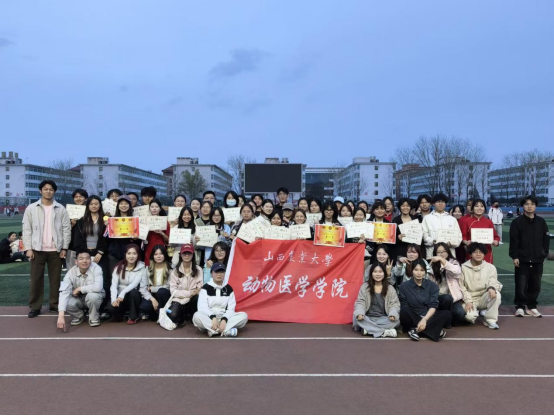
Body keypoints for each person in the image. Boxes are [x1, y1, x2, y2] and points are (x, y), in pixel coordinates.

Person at [23, 180, 71, 318]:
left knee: (55, 279)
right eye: (45, 189)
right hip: (37, 249)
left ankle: (54, 305)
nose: (48, 191)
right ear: (40, 191)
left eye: (51, 189)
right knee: (36, 279)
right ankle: (35, 307)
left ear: (54, 191)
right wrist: (28, 248)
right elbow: (27, 229)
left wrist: (65, 247)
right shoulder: (31, 208)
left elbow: (66, 229)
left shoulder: (60, 208)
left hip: (56, 250)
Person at [510, 196, 550, 318]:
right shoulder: (517, 222)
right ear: (523, 206)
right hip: (522, 259)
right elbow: (514, 241)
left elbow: (546, 239)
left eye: (532, 204)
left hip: (538, 258)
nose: (529, 206)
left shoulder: (541, 222)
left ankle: (532, 306)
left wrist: (543, 255)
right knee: (521, 284)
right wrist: (515, 256)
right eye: (527, 204)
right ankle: (520, 306)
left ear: (536, 206)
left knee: (535, 284)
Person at [73, 196, 111, 312]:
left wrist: (100, 252)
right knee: (86, 280)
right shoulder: (81, 221)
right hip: (86, 254)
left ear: (100, 205)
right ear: (88, 206)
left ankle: (103, 308)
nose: (94, 206)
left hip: (100, 255)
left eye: (96, 204)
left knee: (104, 281)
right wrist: (85, 254)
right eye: (91, 204)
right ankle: (85, 306)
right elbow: (77, 239)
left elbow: (107, 239)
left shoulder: (105, 220)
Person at [399, 259, 451, 342]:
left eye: (422, 270)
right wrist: (420, 319)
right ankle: (434, 330)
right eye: (416, 270)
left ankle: (415, 330)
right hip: (413, 316)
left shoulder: (432, 285)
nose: (419, 273)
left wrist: (424, 319)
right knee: (404, 311)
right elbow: (404, 305)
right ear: (411, 271)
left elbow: (433, 305)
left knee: (447, 314)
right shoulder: (404, 286)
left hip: (428, 316)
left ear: (425, 271)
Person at [193, 262, 248, 338]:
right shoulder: (205, 288)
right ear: (211, 274)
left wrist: (224, 319)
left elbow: (231, 308)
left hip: (224, 318)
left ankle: (214, 330)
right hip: (209, 318)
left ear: (224, 274)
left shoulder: (229, 288)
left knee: (244, 316)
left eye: (221, 272)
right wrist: (213, 317)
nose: (219, 274)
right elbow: (202, 307)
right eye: (216, 272)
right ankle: (226, 330)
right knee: (196, 316)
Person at [57, 250, 105, 330]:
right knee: (67, 301)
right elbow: (64, 292)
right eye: (81, 259)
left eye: (87, 258)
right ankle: (79, 316)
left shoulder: (97, 268)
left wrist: (80, 289)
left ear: (91, 260)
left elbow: (98, 287)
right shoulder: (71, 273)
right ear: (76, 261)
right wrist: (61, 316)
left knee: (93, 297)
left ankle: (94, 317)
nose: (84, 261)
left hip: (94, 297)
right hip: (78, 298)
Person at [461, 243, 502, 330]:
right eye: (475, 252)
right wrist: (468, 300)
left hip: (484, 296)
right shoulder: (463, 267)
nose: (478, 254)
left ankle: (490, 320)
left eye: (481, 252)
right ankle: (474, 312)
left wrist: (491, 288)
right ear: (470, 254)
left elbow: (493, 280)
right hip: (470, 298)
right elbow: (461, 287)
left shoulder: (490, 267)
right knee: (469, 317)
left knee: (496, 294)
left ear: (484, 254)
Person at [354, 263, 401, 338]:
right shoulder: (365, 287)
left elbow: (394, 304)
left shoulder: (390, 288)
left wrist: (392, 314)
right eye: (375, 271)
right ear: (371, 273)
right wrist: (360, 313)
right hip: (367, 317)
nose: (378, 274)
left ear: (384, 273)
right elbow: (360, 302)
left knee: (396, 321)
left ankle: (368, 329)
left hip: (384, 318)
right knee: (356, 318)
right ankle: (385, 332)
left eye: (380, 271)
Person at [106, 244, 145, 325]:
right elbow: (114, 285)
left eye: (134, 253)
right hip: (120, 297)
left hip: (133, 296)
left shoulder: (142, 267)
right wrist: (113, 300)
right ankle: (121, 314)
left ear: (138, 255)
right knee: (110, 309)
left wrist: (122, 294)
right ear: (125, 254)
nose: (131, 256)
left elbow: (134, 284)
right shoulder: (118, 267)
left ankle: (133, 317)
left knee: (133, 293)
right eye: (129, 253)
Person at [429, 243, 466, 326]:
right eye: (439, 252)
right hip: (438, 297)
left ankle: (447, 319)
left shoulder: (454, 262)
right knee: (446, 298)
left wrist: (442, 260)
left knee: (461, 313)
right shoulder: (432, 264)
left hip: (453, 298)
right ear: (435, 253)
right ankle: (443, 319)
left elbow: (456, 271)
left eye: (444, 251)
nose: (442, 254)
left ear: (448, 252)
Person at [168, 244, 204, 327]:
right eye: (184, 253)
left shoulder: (198, 269)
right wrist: (189, 293)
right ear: (180, 255)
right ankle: (182, 316)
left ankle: (191, 316)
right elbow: (173, 291)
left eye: (189, 253)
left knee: (197, 297)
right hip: (179, 300)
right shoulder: (175, 271)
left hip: (192, 300)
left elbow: (199, 288)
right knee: (173, 316)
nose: (187, 255)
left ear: (193, 255)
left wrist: (193, 293)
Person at [422, 193, 462, 259]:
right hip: (432, 252)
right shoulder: (427, 218)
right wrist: (433, 241)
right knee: (434, 265)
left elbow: (458, 236)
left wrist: (452, 243)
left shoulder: (452, 219)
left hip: (449, 251)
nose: (440, 204)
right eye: (438, 202)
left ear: (445, 204)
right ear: (433, 204)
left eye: (443, 202)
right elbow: (424, 234)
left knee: (449, 265)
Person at [138, 246, 172, 322]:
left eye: (161, 254)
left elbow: (168, 286)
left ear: (165, 255)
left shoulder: (170, 269)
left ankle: (162, 315)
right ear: (152, 256)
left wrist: (153, 288)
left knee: (161, 291)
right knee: (144, 307)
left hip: (164, 295)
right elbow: (143, 288)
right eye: (156, 254)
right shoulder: (147, 269)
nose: (158, 256)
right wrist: (152, 299)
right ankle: (156, 315)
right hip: (152, 295)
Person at [461, 199, 500, 264]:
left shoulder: (489, 222)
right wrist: (466, 242)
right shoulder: (466, 221)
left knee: (486, 269)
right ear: (472, 208)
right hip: (472, 252)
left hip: (486, 252)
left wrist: (496, 241)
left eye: (482, 206)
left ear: (484, 208)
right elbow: (463, 236)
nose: (479, 208)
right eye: (477, 206)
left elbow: (496, 236)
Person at [107, 196, 139, 273]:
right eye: (121, 203)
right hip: (114, 254)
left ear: (130, 206)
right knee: (115, 275)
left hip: (130, 254)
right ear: (118, 206)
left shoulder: (134, 220)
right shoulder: (112, 220)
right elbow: (106, 238)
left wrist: (135, 238)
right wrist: (107, 227)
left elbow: (139, 241)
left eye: (126, 203)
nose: (123, 205)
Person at [67, 189, 89, 270]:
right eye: (76, 197)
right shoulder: (68, 211)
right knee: (72, 270)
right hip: (72, 246)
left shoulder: (90, 211)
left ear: (85, 198)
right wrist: (71, 225)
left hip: (87, 246)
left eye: (81, 196)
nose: (78, 198)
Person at [143, 199, 170, 266]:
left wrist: (161, 233)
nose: (154, 209)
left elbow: (168, 239)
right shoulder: (145, 221)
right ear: (149, 209)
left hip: (161, 248)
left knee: (161, 267)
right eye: (152, 207)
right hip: (149, 247)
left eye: (156, 207)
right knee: (149, 266)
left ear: (160, 209)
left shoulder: (165, 221)